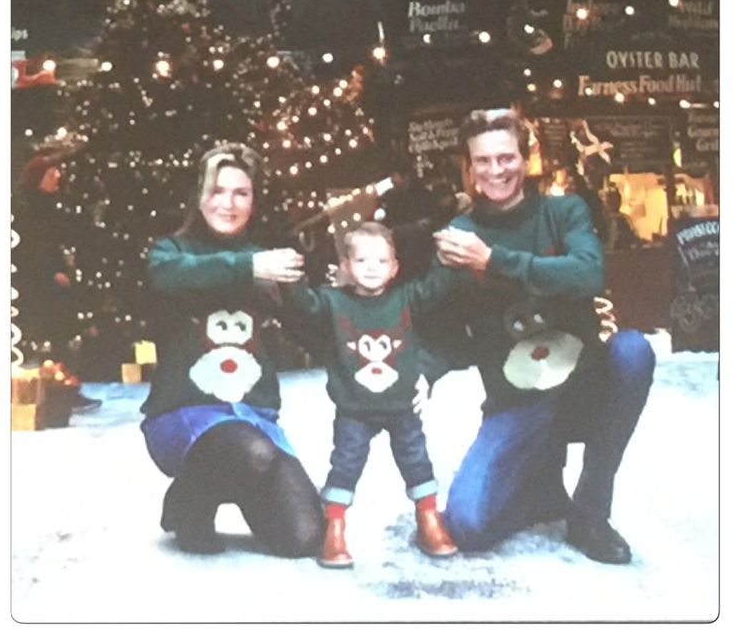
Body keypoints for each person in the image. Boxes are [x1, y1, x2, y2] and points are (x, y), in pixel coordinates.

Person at [433, 108, 656, 565]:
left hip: (581, 384)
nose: (496, 170)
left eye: (506, 157)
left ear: (525, 157)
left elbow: (589, 273)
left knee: (634, 351)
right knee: (468, 525)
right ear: (469, 168)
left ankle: (590, 512)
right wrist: (421, 370)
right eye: (483, 161)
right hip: (515, 399)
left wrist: (494, 261)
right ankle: (540, 483)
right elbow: (443, 316)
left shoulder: (563, 211)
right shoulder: (461, 233)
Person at [140, 142, 324, 556]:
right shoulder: (172, 251)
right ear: (200, 197)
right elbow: (169, 277)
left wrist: (294, 286)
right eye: (217, 191)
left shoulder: (268, 256)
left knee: (305, 536)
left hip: (253, 417)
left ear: (254, 201)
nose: (228, 202)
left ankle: (232, 484)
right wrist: (248, 268)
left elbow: (314, 327)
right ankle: (188, 503)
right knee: (251, 452)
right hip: (184, 416)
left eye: (241, 193)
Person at [281, 222, 460, 568]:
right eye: (362, 261)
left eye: (381, 261)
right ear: (346, 266)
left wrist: (446, 256)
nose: (372, 268)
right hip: (354, 408)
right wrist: (294, 277)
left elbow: (438, 288)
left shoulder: (406, 298)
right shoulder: (334, 302)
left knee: (416, 459)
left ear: (395, 267)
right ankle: (335, 527)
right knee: (345, 464)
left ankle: (428, 519)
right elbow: (305, 305)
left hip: (401, 405)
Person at [12, 153, 101, 410]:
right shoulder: (27, 208)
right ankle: (53, 392)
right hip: (39, 283)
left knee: (64, 335)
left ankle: (65, 388)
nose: (57, 180)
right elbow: (31, 247)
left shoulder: (53, 205)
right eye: (51, 176)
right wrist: (52, 271)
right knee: (51, 335)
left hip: (56, 279)